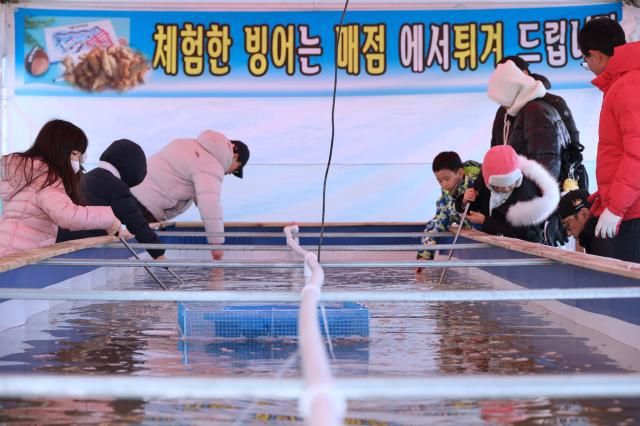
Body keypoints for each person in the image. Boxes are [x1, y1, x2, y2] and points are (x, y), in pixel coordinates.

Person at [0, 119, 120, 256]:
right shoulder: (45, 179)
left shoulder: (27, 174)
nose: (77, 162)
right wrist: (109, 218)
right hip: (17, 254)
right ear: (58, 150)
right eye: (74, 154)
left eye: (80, 156)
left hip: (8, 247)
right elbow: (69, 216)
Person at [486, 60, 572, 247]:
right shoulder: (527, 109)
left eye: (502, 99)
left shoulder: (535, 111)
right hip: (534, 199)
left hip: (540, 204)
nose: (503, 106)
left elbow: (547, 164)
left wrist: (545, 211)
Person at [131, 130, 249, 260]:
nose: (230, 173)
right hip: (146, 210)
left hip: (129, 195)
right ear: (235, 155)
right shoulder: (211, 164)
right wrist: (217, 245)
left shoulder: (186, 144)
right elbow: (209, 205)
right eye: (236, 169)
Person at [578, 17, 640, 263]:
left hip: (632, 212)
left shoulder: (627, 86)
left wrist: (616, 208)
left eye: (585, 61)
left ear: (594, 55)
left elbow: (636, 153)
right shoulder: (625, 82)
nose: (588, 66)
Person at [490, 56, 588, 192]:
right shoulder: (507, 110)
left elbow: (551, 153)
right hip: (522, 185)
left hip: (543, 189)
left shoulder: (537, 107)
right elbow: (497, 147)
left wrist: (543, 189)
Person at [57, 139, 166, 260]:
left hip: (60, 241)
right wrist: (158, 253)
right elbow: (136, 222)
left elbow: (132, 208)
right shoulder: (115, 186)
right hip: (82, 247)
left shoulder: (88, 177)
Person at [456, 145, 559, 244]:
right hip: (491, 243)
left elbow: (522, 234)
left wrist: (486, 221)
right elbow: (474, 205)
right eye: (498, 187)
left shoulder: (526, 196)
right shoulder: (482, 182)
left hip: (523, 250)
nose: (505, 189)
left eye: (509, 184)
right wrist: (465, 201)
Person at [416, 152, 481, 273]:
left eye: (447, 179)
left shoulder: (479, 184)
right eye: (439, 181)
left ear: (460, 173)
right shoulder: (446, 198)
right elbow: (437, 223)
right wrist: (424, 255)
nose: (444, 184)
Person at [558, 189, 614, 258]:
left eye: (568, 225)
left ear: (585, 214)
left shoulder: (601, 243)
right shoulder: (597, 235)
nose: (569, 234)